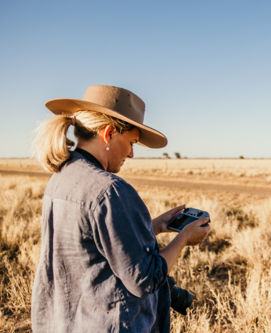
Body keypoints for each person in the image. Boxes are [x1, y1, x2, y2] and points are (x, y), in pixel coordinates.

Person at [31, 85, 210, 333]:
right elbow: (144, 280)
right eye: (131, 142)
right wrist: (183, 239)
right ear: (109, 134)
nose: (132, 153)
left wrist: (155, 225)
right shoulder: (110, 191)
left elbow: (93, 246)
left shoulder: (62, 176)